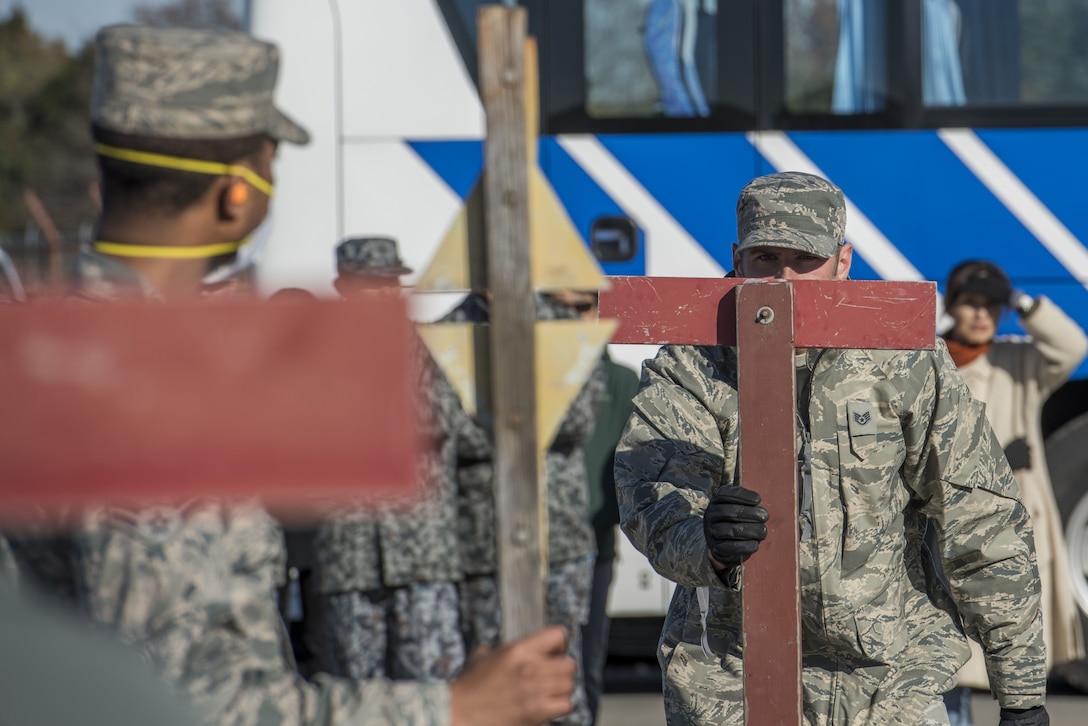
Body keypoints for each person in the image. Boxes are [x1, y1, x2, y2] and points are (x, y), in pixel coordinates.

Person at [11, 24, 576, 726]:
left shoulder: (60, 348)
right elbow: (196, 705)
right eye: (271, 157)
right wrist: (455, 707)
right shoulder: (149, 390)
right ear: (236, 195)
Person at [614, 171, 1049, 725]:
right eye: (766, 257)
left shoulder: (900, 355)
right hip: (730, 683)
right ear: (737, 258)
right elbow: (651, 486)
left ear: (843, 261)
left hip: (887, 685)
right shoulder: (694, 361)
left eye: (804, 258)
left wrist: (1022, 692)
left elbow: (980, 517)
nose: (783, 279)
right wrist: (704, 540)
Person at [440, 290, 607, 726]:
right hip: (479, 541)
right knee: (486, 671)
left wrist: (488, 411)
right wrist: (530, 415)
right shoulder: (447, 331)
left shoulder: (563, 327)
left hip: (559, 538)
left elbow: (578, 417)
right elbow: (445, 428)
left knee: (560, 679)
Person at [314, 236, 469, 682]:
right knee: (359, 693)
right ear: (342, 287)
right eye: (370, 284)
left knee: (433, 689)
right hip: (352, 552)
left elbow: (449, 421)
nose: (383, 294)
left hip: (422, 550)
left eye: (390, 284)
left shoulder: (427, 349)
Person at [940, 260, 1088, 725]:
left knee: (1016, 658)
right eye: (971, 304)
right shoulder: (931, 357)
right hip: (946, 524)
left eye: (992, 306)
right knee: (950, 661)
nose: (982, 316)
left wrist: (1024, 303)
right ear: (952, 306)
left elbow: (1071, 347)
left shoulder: (1017, 360)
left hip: (1013, 527)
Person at [550, 289, 640, 725]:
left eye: (582, 306)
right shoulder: (527, 374)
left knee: (585, 664)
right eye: (560, 305)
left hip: (594, 550)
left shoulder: (622, 382)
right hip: (531, 553)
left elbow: (635, 465)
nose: (571, 316)